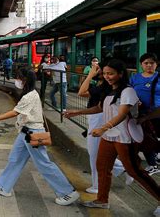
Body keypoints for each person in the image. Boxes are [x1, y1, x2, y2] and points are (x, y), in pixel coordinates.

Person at [65, 59, 160, 213]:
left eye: (111, 74)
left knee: (135, 171)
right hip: (109, 137)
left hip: (125, 138)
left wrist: (103, 127)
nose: (107, 76)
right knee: (102, 168)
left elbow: (122, 114)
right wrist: (77, 112)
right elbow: (99, 108)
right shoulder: (108, 90)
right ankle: (102, 200)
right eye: (105, 73)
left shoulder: (127, 91)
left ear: (120, 74)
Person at [0, 67, 80, 206]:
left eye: (18, 77)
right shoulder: (30, 94)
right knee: (15, 159)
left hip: (33, 134)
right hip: (25, 133)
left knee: (43, 164)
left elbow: (15, 112)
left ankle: (67, 192)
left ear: (24, 80)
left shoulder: (30, 95)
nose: (16, 80)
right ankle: (3, 186)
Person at [75, 61, 131, 194]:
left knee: (94, 154)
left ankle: (98, 185)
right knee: (96, 153)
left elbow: (82, 92)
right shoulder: (104, 86)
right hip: (97, 119)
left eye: (108, 73)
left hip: (100, 120)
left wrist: (90, 75)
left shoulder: (108, 87)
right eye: (104, 72)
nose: (105, 75)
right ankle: (123, 167)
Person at [130, 53, 160, 175]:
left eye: (152, 63)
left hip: (156, 113)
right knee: (144, 137)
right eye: (146, 63)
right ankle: (152, 163)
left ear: (156, 64)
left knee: (155, 137)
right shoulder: (134, 78)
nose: (149, 65)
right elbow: (129, 92)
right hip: (140, 113)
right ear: (141, 64)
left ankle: (154, 160)